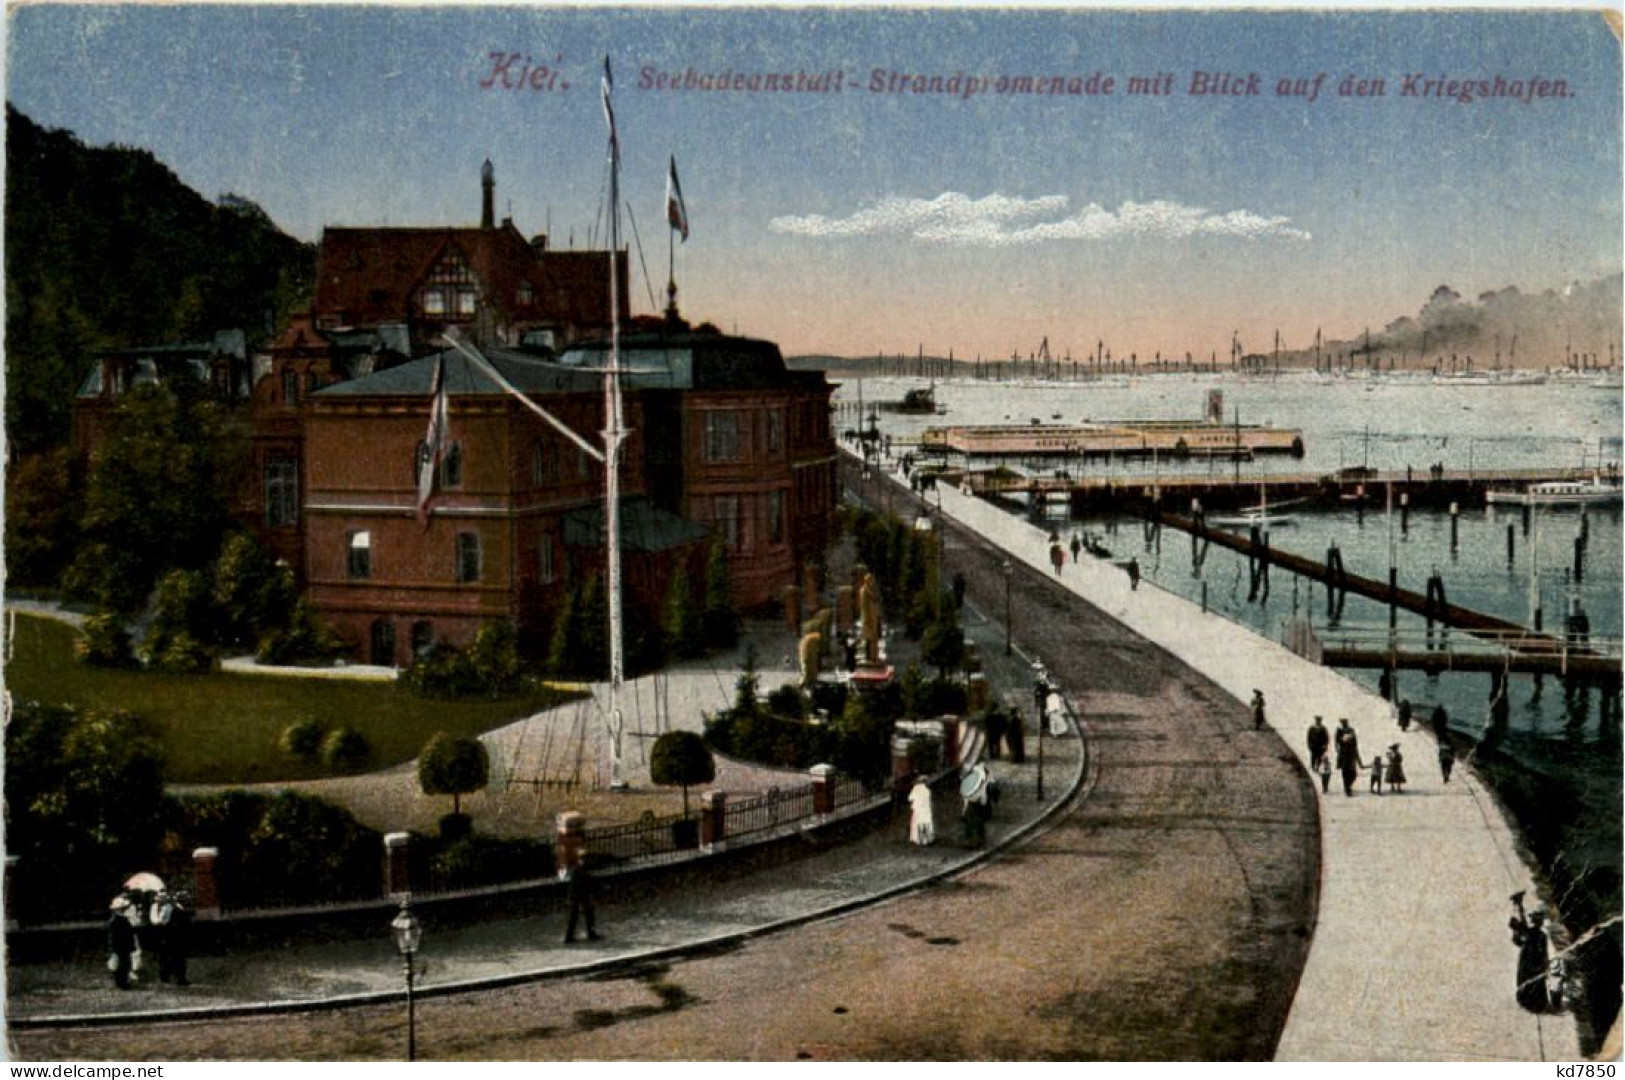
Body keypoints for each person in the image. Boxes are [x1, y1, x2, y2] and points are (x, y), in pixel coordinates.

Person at [1508, 894, 1553, 1012]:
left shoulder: (1535, 933)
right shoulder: (1538, 934)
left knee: (1529, 980)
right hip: (1532, 962)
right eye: (1539, 920)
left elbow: (1519, 940)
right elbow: (1519, 939)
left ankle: (1528, 1002)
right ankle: (1533, 1003)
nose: (1540, 922)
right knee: (1533, 981)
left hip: (1529, 961)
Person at [150, 889, 192, 986]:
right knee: (177, 958)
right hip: (176, 938)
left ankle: (175, 977)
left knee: (174, 958)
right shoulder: (176, 910)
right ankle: (178, 978)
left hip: (174, 938)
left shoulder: (174, 909)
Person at [561, 858, 600, 944]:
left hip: (578, 895)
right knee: (581, 915)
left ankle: (571, 936)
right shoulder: (579, 872)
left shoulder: (576, 872)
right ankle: (588, 933)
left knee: (578, 916)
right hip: (580, 895)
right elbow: (587, 882)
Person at [107, 896, 137, 990]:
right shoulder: (118, 920)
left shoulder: (119, 919)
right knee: (123, 964)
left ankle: (122, 981)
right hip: (121, 946)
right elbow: (121, 935)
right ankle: (122, 982)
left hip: (121, 945)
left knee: (124, 963)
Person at [1335, 719, 1362, 796]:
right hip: (1343, 755)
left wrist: (1357, 754)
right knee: (1345, 773)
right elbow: (1337, 742)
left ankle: (1348, 786)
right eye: (1343, 722)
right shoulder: (1339, 730)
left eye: (1345, 722)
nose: (1344, 723)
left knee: (1354, 774)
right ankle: (1347, 789)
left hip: (1351, 754)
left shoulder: (1351, 730)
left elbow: (1355, 742)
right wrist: (1342, 741)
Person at [908, 777, 935, 846]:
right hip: (925, 810)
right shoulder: (927, 790)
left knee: (917, 824)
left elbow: (910, 798)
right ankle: (926, 840)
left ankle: (917, 840)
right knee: (926, 824)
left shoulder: (915, 788)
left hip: (917, 809)